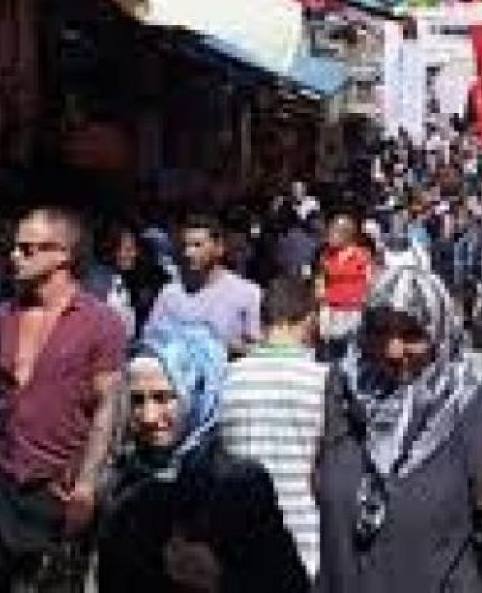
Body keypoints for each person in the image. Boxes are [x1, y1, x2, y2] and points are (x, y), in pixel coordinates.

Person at [315, 267, 482, 593]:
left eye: (412, 334)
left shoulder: (478, 402)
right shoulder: (344, 388)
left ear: (440, 334)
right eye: (379, 332)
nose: (392, 350)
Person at [0, 207, 127, 592]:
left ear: (63, 255)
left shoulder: (100, 322)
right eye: (14, 247)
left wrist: (87, 485)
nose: (14, 256)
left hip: (57, 489)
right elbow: (4, 390)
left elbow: (109, 407)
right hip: (1, 478)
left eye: (27, 249)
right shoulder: (7, 317)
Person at [96, 323, 309, 593]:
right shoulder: (125, 482)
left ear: (198, 395)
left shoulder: (238, 485)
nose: (148, 416)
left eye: (163, 398)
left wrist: (219, 580)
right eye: (138, 400)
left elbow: (288, 584)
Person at [220, 277, 328, 577]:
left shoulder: (226, 378)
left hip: (237, 546)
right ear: (310, 319)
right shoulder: (325, 383)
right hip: (306, 546)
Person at [145, 216, 263, 360]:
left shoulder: (247, 293)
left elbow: (256, 348)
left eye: (197, 245)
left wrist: (224, 345)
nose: (189, 253)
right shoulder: (170, 294)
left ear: (219, 248)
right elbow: (150, 341)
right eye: (185, 246)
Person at [317, 214, 374, 362]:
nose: (329, 235)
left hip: (353, 310)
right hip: (330, 309)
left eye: (334, 232)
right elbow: (321, 278)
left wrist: (365, 302)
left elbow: (370, 282)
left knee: (350, 351)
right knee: (331, 351)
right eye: (330, 231)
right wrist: (321, 294)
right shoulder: (326, 255)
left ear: (347, 235)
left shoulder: (362, 255)